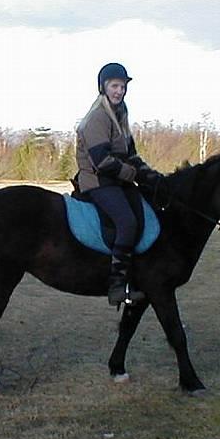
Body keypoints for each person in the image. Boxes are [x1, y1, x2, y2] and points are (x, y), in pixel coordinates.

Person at [76, 63, 161, 306]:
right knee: (127, 221)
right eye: (115, 86)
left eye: (123, 86)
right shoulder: (98, 118)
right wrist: (134, 174)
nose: (119, 91)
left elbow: (130, 153)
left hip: (116, 181)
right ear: (103, 87)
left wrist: (150, 174)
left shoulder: (120, 114)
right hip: (98, 181)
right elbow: (102, 161)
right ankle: (116, 285)